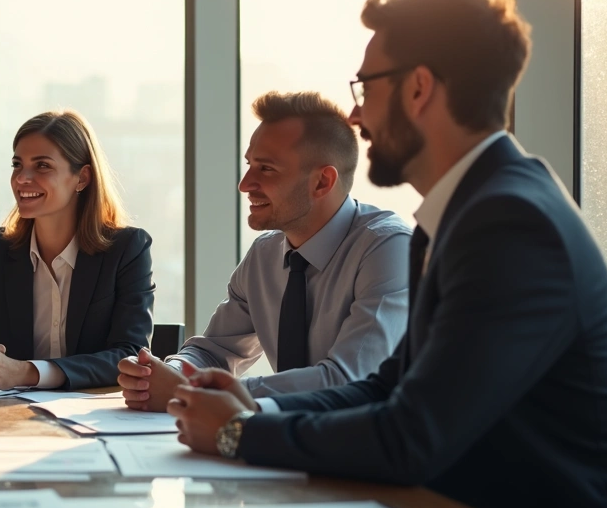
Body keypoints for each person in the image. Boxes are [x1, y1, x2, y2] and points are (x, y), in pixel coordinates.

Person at [167, 0, 607, 508]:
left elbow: (412, 435)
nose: (356, 117)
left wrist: (239, 432)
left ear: (419, 88)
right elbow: (388, 386)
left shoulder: (509, 223)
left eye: (366, 89)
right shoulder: (468, 212)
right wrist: (253, 406)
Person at [117, 91, 410, 411]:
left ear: (322, 182)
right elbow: (213, 351)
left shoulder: (388, 249)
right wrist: (163, 373)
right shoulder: (265, 253)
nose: (245, 184)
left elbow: (347, 379)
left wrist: (206, 390)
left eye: (266, 169)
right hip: (288, 433)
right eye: (249, 165)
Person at [0, 110, 154, 390]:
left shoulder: (127, 249)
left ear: (82, 178)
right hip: (15, 413)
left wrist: (26, 372)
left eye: (42, 166)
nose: (22, 178)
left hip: (95, 413)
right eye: (17, 165)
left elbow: (129, 355)